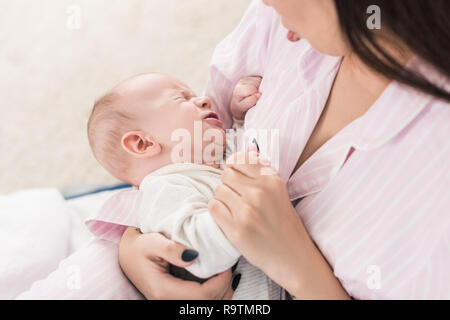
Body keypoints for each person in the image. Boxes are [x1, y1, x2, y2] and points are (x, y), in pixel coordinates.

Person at [18, 0, 450, 299]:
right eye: (182, 98)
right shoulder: (281, 22)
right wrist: (133, 249)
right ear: (143, 143)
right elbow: (190, 165)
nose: (204, 100)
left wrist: (296, 262)